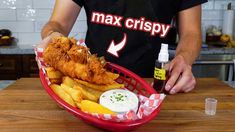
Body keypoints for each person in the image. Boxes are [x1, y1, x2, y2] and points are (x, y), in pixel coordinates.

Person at [39, 0, 207, 94]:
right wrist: (52, 34)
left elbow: (191, 32)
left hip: (152, 87)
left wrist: (184, 58)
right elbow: (58, 23)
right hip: (89, 85)